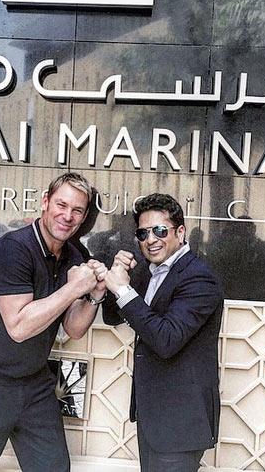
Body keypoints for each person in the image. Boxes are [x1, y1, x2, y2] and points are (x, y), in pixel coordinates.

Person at [0, 172, 107, 472]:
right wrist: (74, 287)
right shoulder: (12, 249)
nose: (68, 216)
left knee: (53, 467)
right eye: (61, 205)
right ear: (46, 202)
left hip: (35, 383)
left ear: (84, 216)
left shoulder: (74, 254)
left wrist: (94, 296)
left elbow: (73, 328)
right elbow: (19, 328)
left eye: (77, 210)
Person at [103, 193, 224, 472]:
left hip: (180, 422)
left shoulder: (199, 277)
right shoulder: (152, 271)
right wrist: (118, 276)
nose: (151, 239)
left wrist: (123, 290)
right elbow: (113, 316)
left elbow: (166, 339)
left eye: (160, 230)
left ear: (180, 232)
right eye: (143, 233)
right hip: (153, 418)